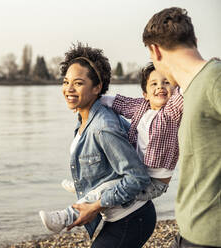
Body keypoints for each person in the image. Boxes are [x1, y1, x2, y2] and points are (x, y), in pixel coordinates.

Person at [39, 43, 156, 248]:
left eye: (78, 83)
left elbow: (137, 177)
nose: (69, 89)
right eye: (66, 82)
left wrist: (95, 205)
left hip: (131, 217)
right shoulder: (85, 118)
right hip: (118, 216)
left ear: (97, 87)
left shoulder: (103, 127)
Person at [143, 7, 221, 248]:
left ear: (155, 50)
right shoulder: (191, 89)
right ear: (194, 41)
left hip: (210, 237)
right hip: (190, 231)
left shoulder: (214, 79)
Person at [62, 62, 184, 202]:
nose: (160, 87)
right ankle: (86, 185)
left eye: (166, 82)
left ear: (174, 89)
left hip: (155, 183)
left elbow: (183, 92)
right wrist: (87, 101)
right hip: (138, 169)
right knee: (112, 180)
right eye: (154, 84)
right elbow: (120, 103)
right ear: (145, 94)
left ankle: (79, 203)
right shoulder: (141, 107)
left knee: (110, 191)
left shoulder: (172, 112)